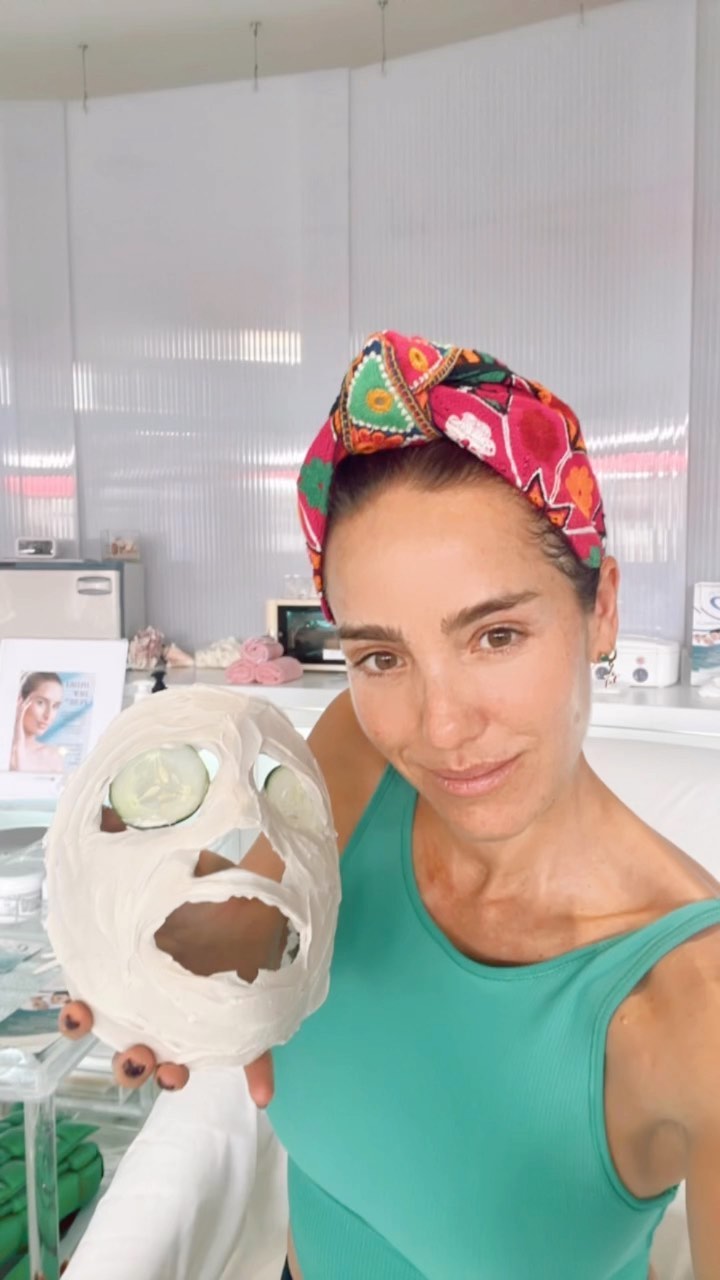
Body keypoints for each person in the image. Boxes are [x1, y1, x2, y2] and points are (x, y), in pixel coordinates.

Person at [61, 333, 720, 1280]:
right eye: (381, 656)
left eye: (496, 635)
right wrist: (144, 957)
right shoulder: (356, 759)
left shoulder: (696, 1007)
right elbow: (250, 935)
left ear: (602, 607)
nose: (440, 727)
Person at [10, 672, 65, 774]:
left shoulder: (52, 758)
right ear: (19, 701)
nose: (48, 715)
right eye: (41, 703)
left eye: (55, 706)